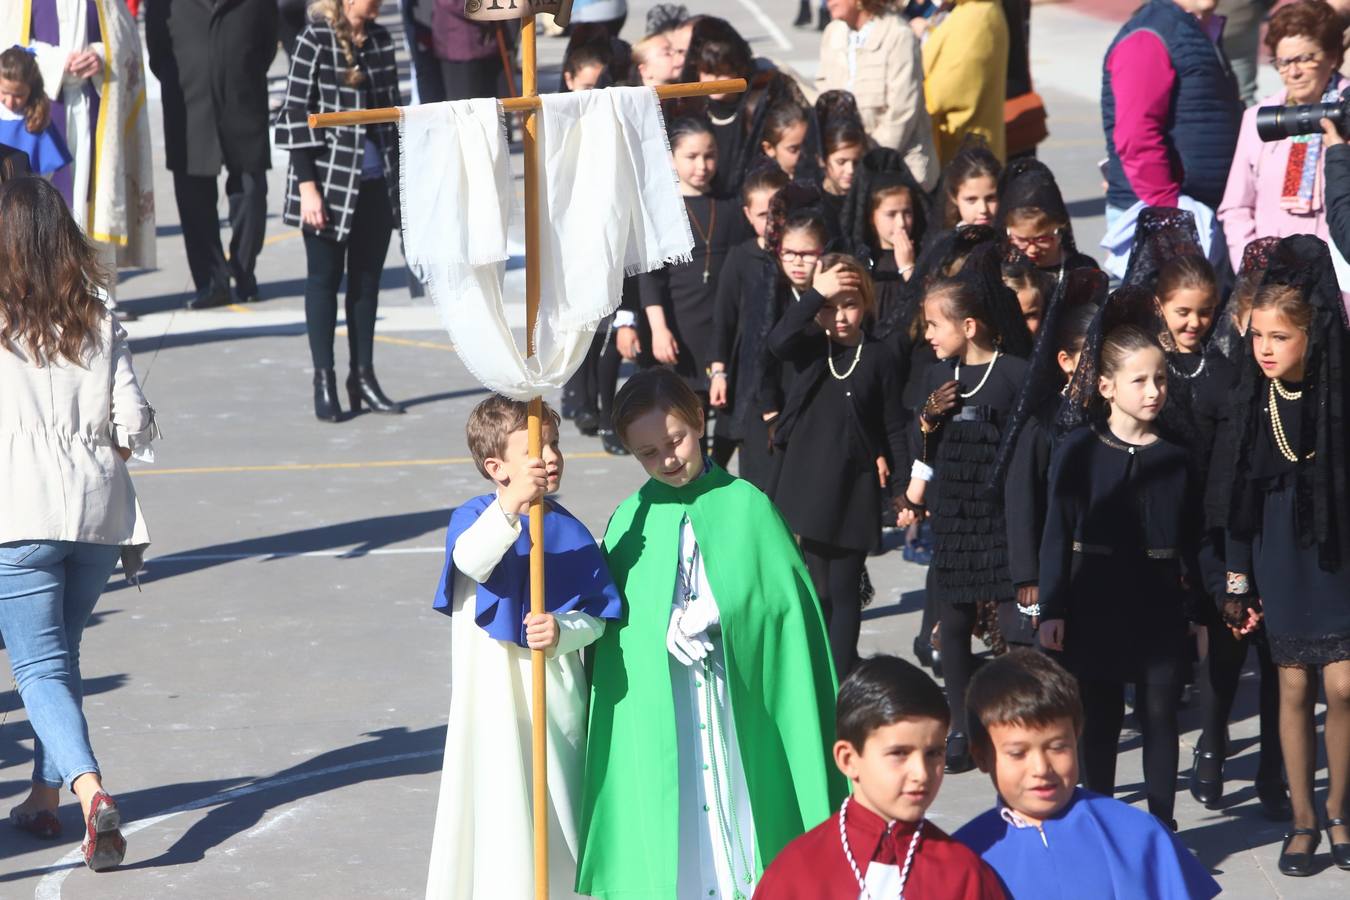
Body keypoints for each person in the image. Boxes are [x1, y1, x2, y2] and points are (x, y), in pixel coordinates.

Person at [576, 367, 843, 898]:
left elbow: (786, 604)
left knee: (742, 800)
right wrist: (659, 621)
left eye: (675, 440)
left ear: (698, 421)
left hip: (735, 696)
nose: (668, 459)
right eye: (648, 454)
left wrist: (725, 608)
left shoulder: (748, 504)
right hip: (668, 700)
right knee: (674, 810)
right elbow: (614, 620)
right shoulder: (631, 517)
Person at [0, 176, 155, 870]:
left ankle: (91, 793)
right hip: (98, 510)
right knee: (61, 660)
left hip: (18, 510)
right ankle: (44, 796)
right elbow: (136, 424)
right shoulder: (97, 312)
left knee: (38, 668)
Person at [424, 396, 622, 899]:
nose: (551, 457)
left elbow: (597, 617)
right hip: (489, 705)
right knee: (495, 817)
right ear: (497, 467)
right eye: (536, 448)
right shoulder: (474, 519)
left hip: (551, 704)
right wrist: (511, 507)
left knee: (555, 815)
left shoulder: (569, 531)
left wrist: (562, 631)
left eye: (554, 444)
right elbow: (471, 560)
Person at [1211, 235, 1350, 876]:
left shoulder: (1338, 394)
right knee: (1292, 684)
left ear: (1312, 335)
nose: (1265, 348)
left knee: (1344, 685)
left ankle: (1340, 808)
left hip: (1337, 555)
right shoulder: (1251, 398)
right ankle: (1302, 819)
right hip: (1277, 557)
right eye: (1258, 335)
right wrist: (1236, 580)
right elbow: (1237, 498)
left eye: (1280, 337)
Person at [1038, 312, 1204, 829]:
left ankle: (1162, 825)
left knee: (1160, 715)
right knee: (1101, 716)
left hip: (1158, 602)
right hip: (1095, 598)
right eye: (1140, 380)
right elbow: (1056, 533)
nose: (1154, 391)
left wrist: (1199, 612)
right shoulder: (1078, 451)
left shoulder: (1177, 456)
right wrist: (1053, 607)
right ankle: (1101, 819)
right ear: (1107, 386)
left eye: (1160, 379)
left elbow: (1195, 541)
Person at [897, 245, 1033, 773]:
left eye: (936, 324)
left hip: (998, 517)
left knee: (1010, 628)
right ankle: (959, 724)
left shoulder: (1014, 374)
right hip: (954, 517)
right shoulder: (937, 377)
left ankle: (1012, 725)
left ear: (970, 325)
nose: (928, 334)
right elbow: (924, 449)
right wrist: (927, 425)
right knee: (951, 626)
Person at [955, 650, 1222, 899]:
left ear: (1077, 736)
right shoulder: (964, 856)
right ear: (981, 756)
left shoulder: (1137, 833)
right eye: (1018, 753)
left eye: (1057, 747)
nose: (1041, 769)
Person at [754, 656, 1006, 899]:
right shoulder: (797, 872)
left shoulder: (963, 873)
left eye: (933, 753)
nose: (921, 773)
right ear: (848, 759)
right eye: (899, 753)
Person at [769, 254, 910, 677]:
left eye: (849, 303)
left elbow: (894, 426)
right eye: (831, 306)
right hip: (810, 484)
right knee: (819, 586)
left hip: (856, 485)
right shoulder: (812, 347)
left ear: (866, 303)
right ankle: (819, 666)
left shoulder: (881, 355)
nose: (840, 315)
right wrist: (816, 294)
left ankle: (843, 668)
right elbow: (778, 339)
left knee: (845, 586)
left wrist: (902, 488)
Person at [275, 0, 405, 422]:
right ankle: (324, 379)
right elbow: (293, 114)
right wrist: (307, 187)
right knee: (324, 282)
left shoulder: (382, 40)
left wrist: (402, 184)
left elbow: (394, 114)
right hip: (328, 186)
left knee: (367, 285)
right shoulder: (314, 38)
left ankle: (363, 377)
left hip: (375, 182)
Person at [0, 0, 156, 297]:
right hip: (40, 107)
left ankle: (98, 296)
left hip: (91, 107)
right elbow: (7, 41)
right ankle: (44, 298)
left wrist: (102, 55)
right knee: (40, 206)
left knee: (91, 199)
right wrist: (56, 62)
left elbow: (124, 37)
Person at [145, 0, 278, 309]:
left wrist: (241, 68)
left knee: (252, 192)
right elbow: (158, 51)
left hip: (242, 99)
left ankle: (244, 271)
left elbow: (267, 43)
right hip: (188, 104)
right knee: (194, 201)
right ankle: (211, 281)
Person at [997, 275, 1104, 648]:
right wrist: (1028, 577)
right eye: (1091, 358)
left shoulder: (1110, 416)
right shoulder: (1042, 422)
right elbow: (1021, 499)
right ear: (1065, 361)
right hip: (1046, 568)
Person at [1219, 1, 1347, 282]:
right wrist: (1254, 268)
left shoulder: (1346, 111)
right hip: (1272, 281)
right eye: (1284, 62)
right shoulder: (1258, 118)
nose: (1294, 72)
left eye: (1304, 59)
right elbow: (1236, 207)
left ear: (1333, 56)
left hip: (1339, 279)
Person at [638, 118, 748, 436]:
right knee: (684, 422)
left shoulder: (729, 205)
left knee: (730, 426)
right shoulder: (664, 208)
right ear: (672, 159)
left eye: (709, 155)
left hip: (724, 330)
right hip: (681, 332)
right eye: (692, 157)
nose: (702, 165)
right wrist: (658, 329)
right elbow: (651, 278)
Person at [718, 185, 830, 494]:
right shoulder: (769, 291)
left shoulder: (832, 296)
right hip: (769, 411)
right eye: (789, 253)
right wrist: (770, 412)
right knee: (766, 501)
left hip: (814, 417)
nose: (796, 262)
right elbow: (763, 353)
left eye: (807, 254)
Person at [1101, 0, 1241, 232]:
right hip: (1161, 217)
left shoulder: (1197, 30)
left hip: (1197, 212)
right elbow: (1136, 136)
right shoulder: (1150, 35)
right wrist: (1170, 209)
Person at [709, 165, 790, 474]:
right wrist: (719, 372)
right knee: (723, 450)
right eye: (761, 215)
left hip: (780, 374)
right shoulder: (741, 257)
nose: (771, 222)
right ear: (746, 214)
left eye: (778, 212)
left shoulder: (793, 257)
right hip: (743, 373)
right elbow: (724, 320)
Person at [816, 0, 938, 191]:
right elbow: (822, 98)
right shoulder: (833, 33)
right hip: (847, 176)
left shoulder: (898, 35)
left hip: (896, 176)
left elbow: (901, 115)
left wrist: (865, 160)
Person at [921, 0, 1010, 165]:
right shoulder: (971, 11)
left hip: (965, 159)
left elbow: (941, 95)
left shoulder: (977, 18)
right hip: (964, 151)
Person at [999, 157, 1099, 286]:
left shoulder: (1082, 270)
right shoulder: (999, 270)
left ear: (1060, 229)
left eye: (1042, 239)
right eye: (1022, 240)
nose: (1032, 249)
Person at [0, 46, 71, 176]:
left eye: (18, 95)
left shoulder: (36, 121)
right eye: (4, 93)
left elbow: (44, 175)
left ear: (31, 89)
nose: (10, 102)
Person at [816, 91, 868, 232]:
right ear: (822, 160)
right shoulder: (813, 202)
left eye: (856, 162)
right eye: (841, 162)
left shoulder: (868, 200)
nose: (850, 170)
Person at [430, 0, 500, 102]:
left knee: (489, 106)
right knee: (464, 108)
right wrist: (490, 10)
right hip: (459, 46)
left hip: (487, 43)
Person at [939, 137, 1001, 229]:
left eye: (991, 198)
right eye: (971, 199)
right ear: (954, 198)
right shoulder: (950, 242)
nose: (983, 209)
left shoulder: (1017, 237)